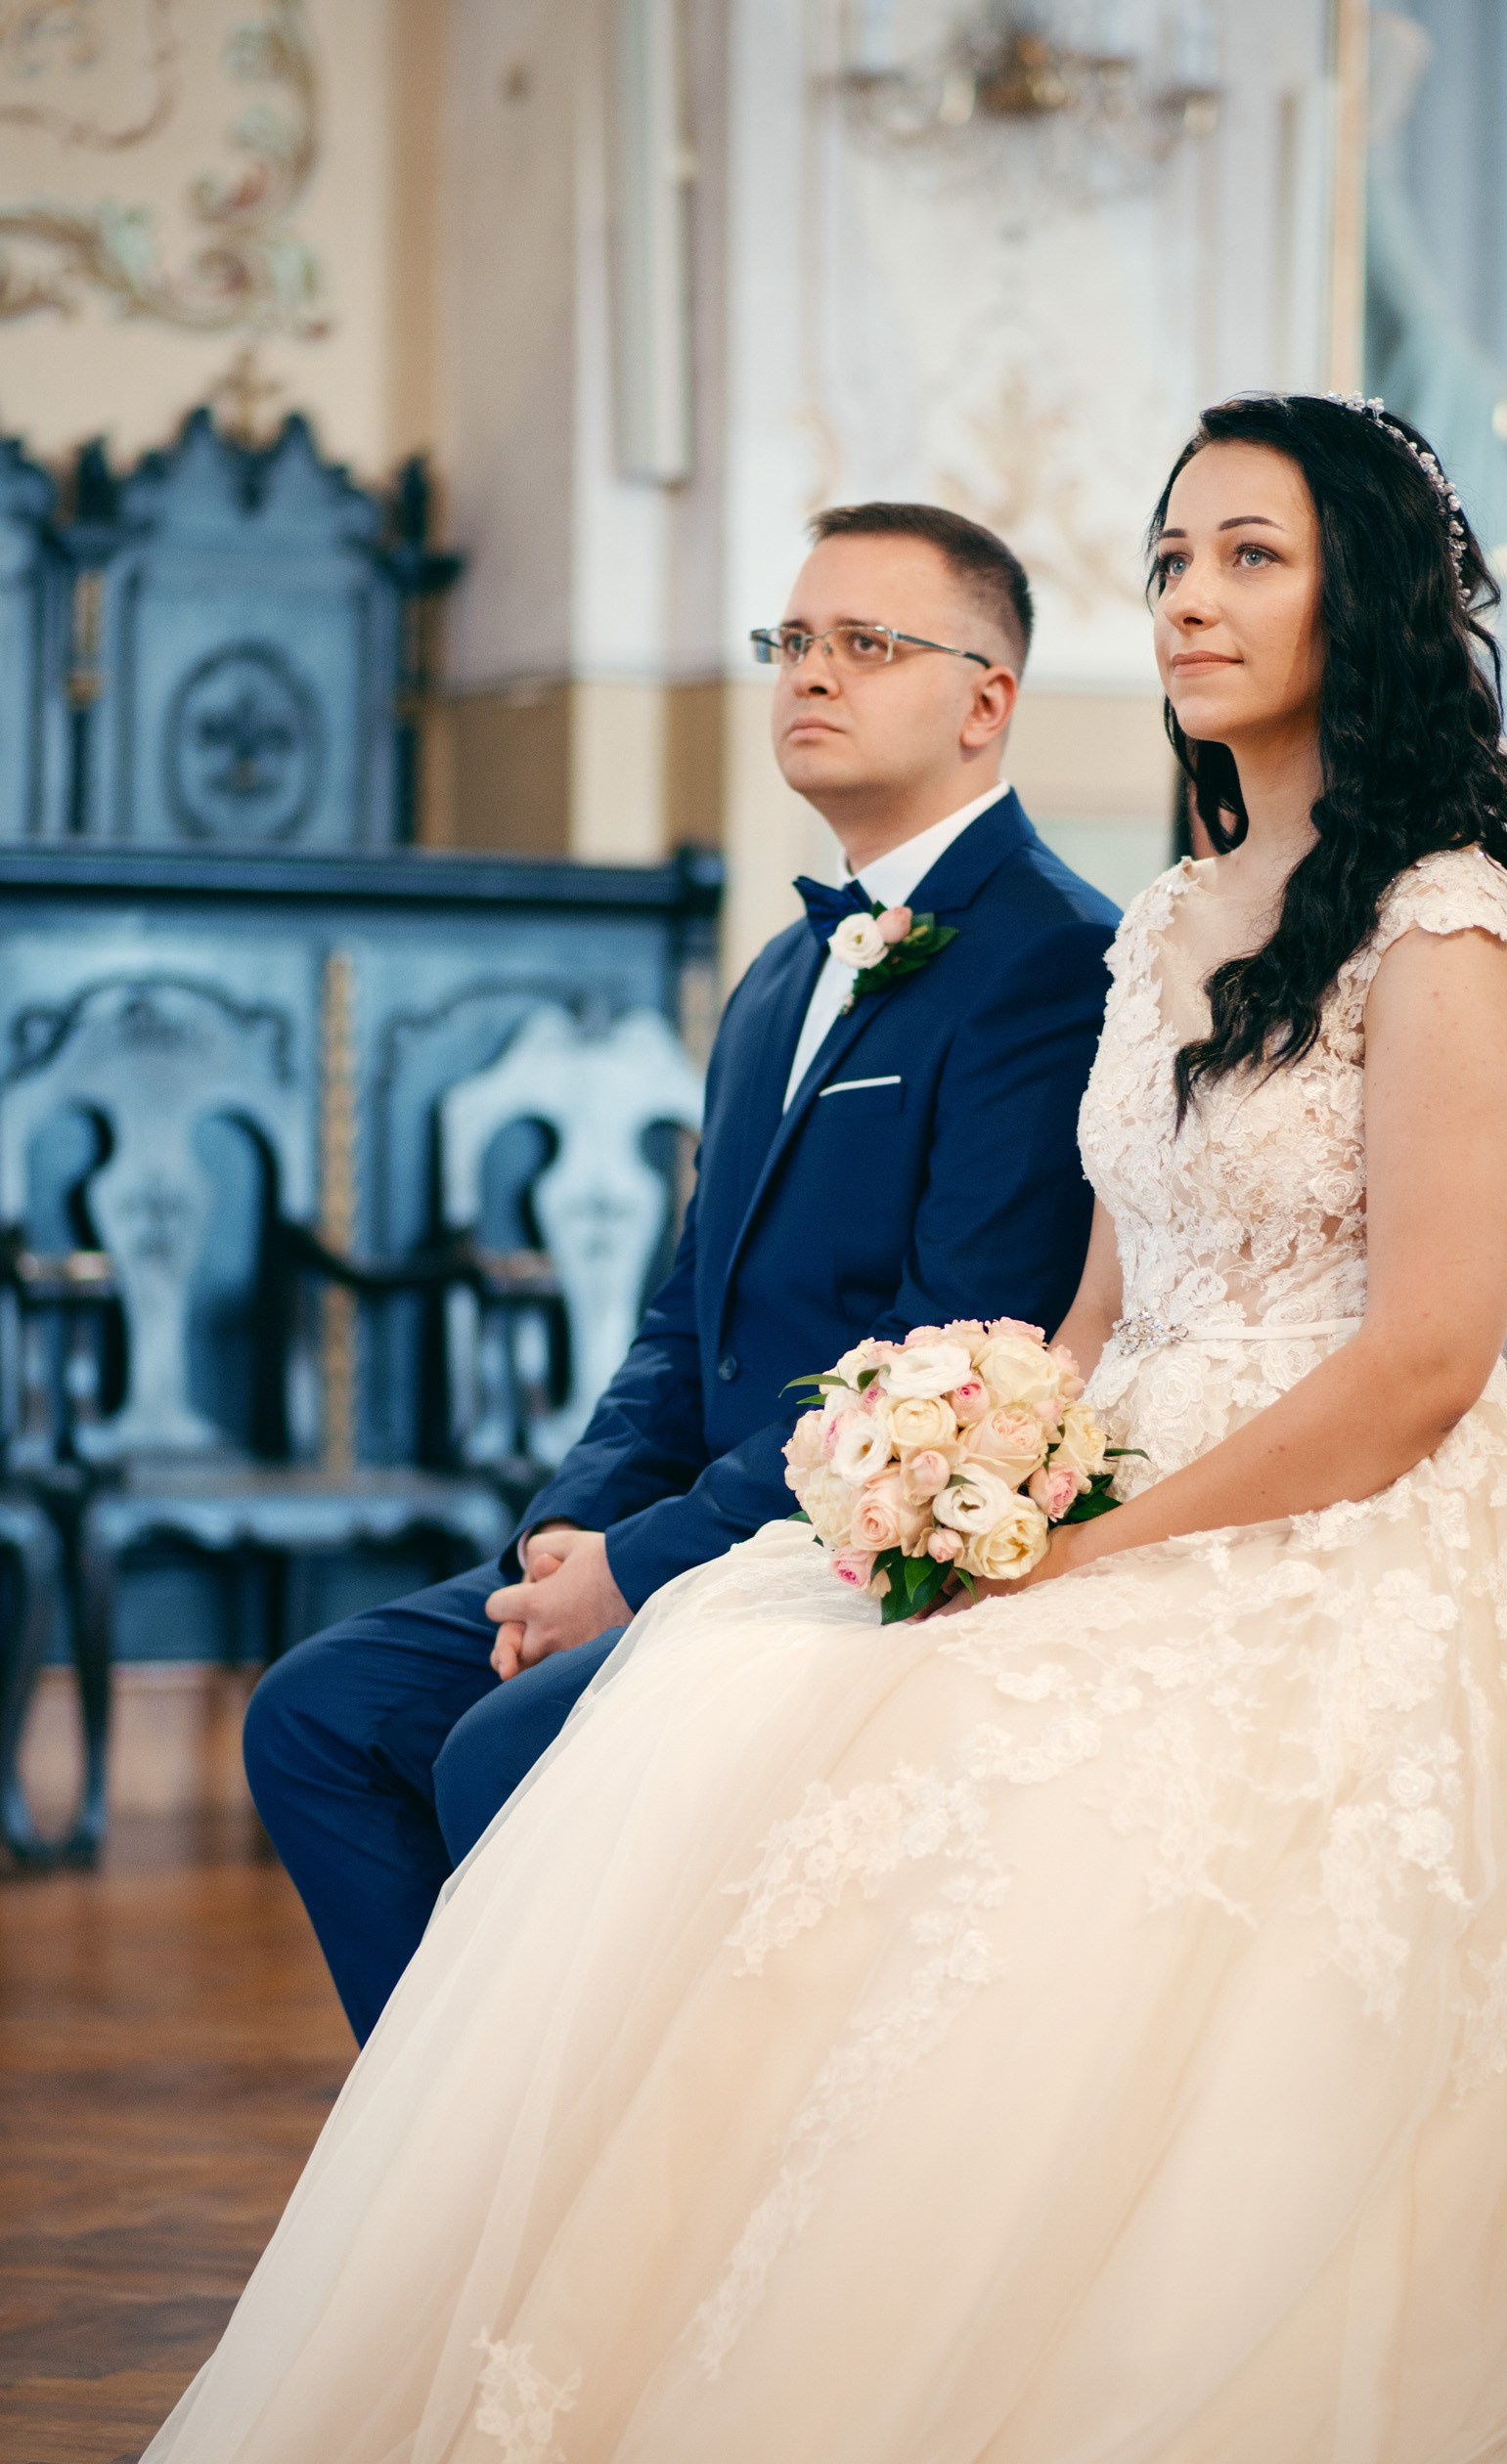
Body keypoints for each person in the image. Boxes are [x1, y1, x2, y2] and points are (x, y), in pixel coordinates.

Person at [146, 395, 1507, 2463]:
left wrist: (1081, 1551)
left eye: (1251, 557)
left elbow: (1419, 1367)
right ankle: (574, 2254)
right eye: (1177, 555)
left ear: (1365, 597)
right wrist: (983, 1466)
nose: (1192, 598)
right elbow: (1099, 1310)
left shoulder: (1448, 920)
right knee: (726, 1692)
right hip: (1119, 1467)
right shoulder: (1183, 915)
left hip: (1346, 1526)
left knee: (854, 1767)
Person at [244, 503, 1121, 2044]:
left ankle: (545, 2161)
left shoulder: (1053, 960)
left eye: (866, 644)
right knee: (317, 1716)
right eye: (790, 642)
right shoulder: (781, 966)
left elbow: (948, 1345)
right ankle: (449, 2158)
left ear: (988, 699)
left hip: (842, 1543)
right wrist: (568, 1534)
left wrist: (636, 1575)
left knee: (496, 1750)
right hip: (677, 1519)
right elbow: (681, 1310)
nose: (810, 675)